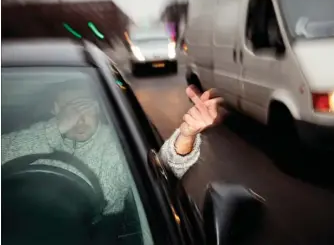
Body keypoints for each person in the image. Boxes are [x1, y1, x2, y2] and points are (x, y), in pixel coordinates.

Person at [1, 80, 224, 215]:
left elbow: (159, 169)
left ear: (98, 108)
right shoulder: (38, 133)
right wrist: (56, 128)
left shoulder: (115, 144)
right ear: (55, 110)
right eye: (70, 109)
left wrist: (187, 134)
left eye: (84, 107)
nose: (78, 119)